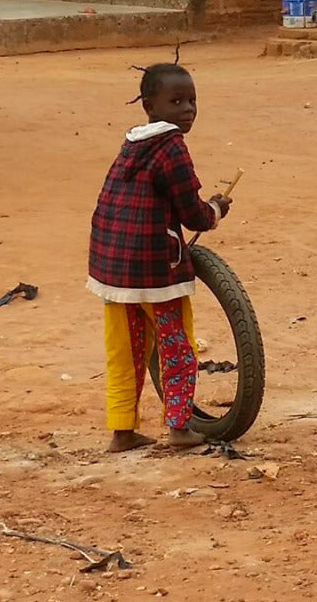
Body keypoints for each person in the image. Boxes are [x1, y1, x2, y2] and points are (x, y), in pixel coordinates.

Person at [87, 62, 232, 453]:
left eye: (192, 101)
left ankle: (122, 430)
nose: (188, 109)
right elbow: (191, 212)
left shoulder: (132, 144)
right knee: (177, 347)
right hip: (155, 269)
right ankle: (179, 426)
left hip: (111, 266)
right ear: (150, 106)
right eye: (177, 101)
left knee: (126, 350)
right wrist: (216, 210)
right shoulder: (171, 147)